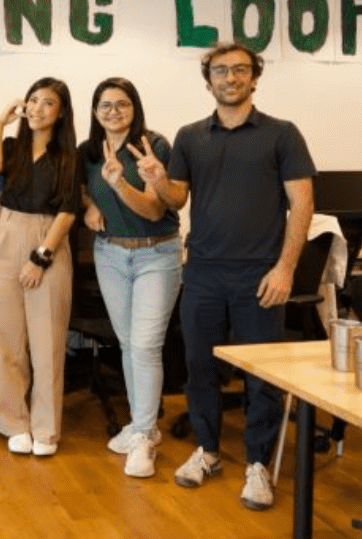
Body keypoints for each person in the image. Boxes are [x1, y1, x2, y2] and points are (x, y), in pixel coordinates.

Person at [134, 43, 315, 509]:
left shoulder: (282, 134)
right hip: (203, 273)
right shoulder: (191, 136)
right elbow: (176, 199)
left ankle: (257, 464)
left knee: (260, 375)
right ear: (208, 80)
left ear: (254, 77)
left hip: (260, 275)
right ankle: (208, 451)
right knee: (199, 368)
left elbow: (303, 204)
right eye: (220, 70)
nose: (230, 78)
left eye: (239, 70)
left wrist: (286, 268)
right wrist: (157, 178)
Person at [79, 77, 182, 479]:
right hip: (110, 254)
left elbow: (155, 211)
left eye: (122, 104)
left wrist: (119, 183)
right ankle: (143, 428)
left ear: (135, 108)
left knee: (145, 346)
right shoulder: (88, 151)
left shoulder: (153, 147)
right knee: (127, 344)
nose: (114, 112)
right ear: (95, 111)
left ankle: (143, 435)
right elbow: (81, 188)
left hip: (156, 253)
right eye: (105, 105)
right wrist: (90, 205)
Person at [0, 77, 81, 455]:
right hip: (7, 232)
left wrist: (41, 257)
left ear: (61, 111)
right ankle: (13, 422)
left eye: (48, 102)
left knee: (47, 342)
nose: (38, 108)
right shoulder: (12, 146)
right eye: (33, 100)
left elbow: (68, 211)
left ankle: (46, 429)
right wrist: (0, 121)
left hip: (48, 238)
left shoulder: (68, 156)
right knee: (5, 338)